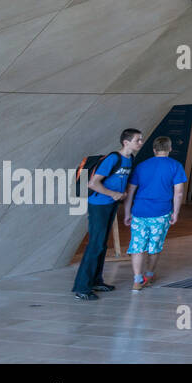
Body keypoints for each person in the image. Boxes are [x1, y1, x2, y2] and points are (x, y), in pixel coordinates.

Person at [73, 128, 144, 301]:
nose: (140, 143)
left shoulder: (130, 159)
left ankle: (96, 280)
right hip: (99, 205)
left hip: (111, 205)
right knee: (95, 245)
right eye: (137, 140)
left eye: (141, 140)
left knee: (102, 244)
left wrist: (121, 195)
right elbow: (93, 183)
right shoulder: (113, 158)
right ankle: (82, 287)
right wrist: (113, 194)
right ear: (126, 142)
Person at [122, 135, 186, 291]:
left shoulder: (142, 166)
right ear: (170, 149)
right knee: (154, 245)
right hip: (161, 212)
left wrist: (127, 212)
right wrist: (175, 212)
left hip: (139, 211)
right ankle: (149, 275)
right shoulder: (175, 166)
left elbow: (130, 191)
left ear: (154, 150)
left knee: (137, 245)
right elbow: (178, 192)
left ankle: (137, 280)